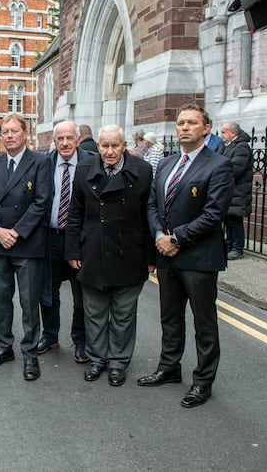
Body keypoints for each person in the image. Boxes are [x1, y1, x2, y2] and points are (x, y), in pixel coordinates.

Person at [138, 104, 233, 408]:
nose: (184, 128)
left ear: (206, 128)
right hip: (167, 255)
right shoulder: (166, 164)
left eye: (192, 123)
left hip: (199, 257)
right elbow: (152, 204)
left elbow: (213, 214)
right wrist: (158, 238)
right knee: (170, 317)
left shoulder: (218, 165)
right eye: (181, 123)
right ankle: (169, 367)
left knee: (204, 323)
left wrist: (176, 238)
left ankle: (203, 381)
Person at [66, 125, 155, 386]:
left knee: (123, 314)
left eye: (115, 145)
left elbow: (149, 216)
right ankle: (97, 359)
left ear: (125, 145)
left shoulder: (142, 170)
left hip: (130, 252)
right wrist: (72, 250)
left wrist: (152, 256)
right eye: (104, 145)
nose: (109, 151)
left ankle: (118, 362)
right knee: (94, 313)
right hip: (92, 251)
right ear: (98, 147)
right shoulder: (85, 169)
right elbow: (75, 214)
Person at [0, 114, 52, 381]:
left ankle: (30, 354)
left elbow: (41, 202)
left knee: (28, 302)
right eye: (5, 132)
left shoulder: (40, 162)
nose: (9, 135)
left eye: (14, 131)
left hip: (27, 244)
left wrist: (17, 232)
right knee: (0, 300)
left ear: (25, 133)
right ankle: (4, 347)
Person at [39, 121, 92, 364]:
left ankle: (80, 340)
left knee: (80, 293)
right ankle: (50, 335)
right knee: (48, 291)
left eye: (69, 137)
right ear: (54, 141)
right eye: (60, 138)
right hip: (50, 237)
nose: (65, 143)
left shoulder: (91, 162)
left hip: (80, 240)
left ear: (78, 139)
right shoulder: (44, 163)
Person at [218, 122, 253, 260]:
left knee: (235, 220)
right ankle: (229, 245)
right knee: (227, 219)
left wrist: (218, 174)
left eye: (224, 132)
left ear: (233, 133)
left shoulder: (242, 147)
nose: (221, 136)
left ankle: (237, 248)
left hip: (237, 190)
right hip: (227, 189)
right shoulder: (224, 146)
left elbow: (235, 169)